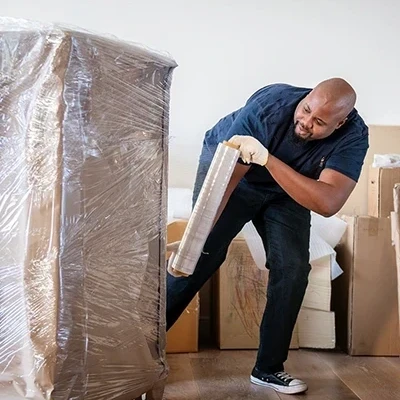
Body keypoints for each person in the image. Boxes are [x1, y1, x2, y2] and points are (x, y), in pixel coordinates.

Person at [166, 78, 368, 395]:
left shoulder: (354, 136)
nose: (305, 122)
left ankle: (268, 369)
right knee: (201, 255)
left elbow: (328, 203)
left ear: (340, 123)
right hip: (233, 169)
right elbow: (228, 181)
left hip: (286, 186)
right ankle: (141, 351)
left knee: (294, 268)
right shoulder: (268, 108)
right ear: (306, 97)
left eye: (319, 122)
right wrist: (197, 234)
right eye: (305, 110)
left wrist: (269, 160)